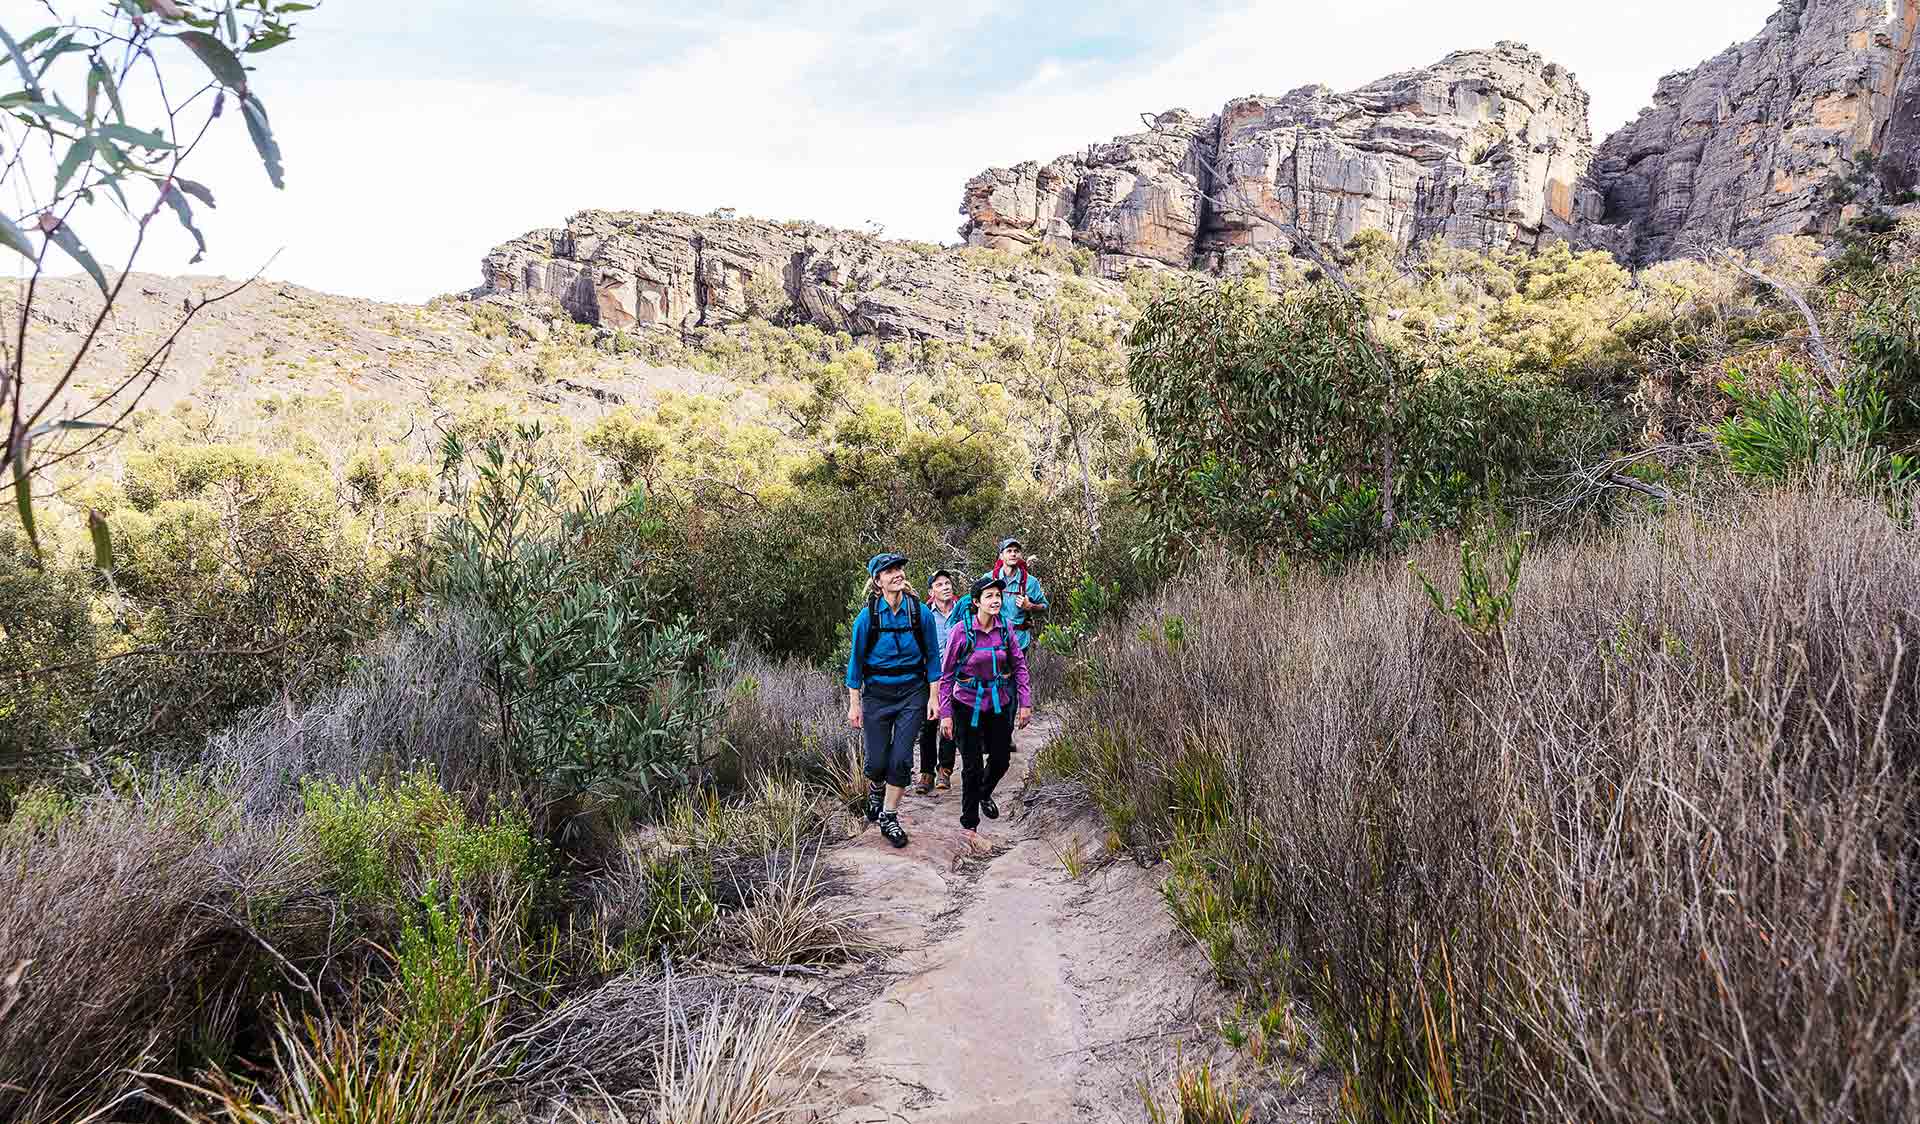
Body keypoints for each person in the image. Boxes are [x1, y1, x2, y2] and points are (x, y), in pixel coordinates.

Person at [846, 552, 941, 847]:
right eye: (889, 571)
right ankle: (876, 787)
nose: (897, 574)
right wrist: (854, 703)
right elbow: (855, 664)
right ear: (877, 581)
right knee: (876, 764)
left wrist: (933, 697)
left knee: (900, 760)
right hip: (877, 695)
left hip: (912, 693)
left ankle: (889, 815)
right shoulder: (868, 616)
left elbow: (933, 658)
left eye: (899, 569)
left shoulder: (918, 612)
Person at [938, 575, 1033, 835]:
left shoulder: (1006, 628)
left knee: (1001, 760)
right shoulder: (961, 631)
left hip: (998, 703)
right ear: (976, 601)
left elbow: (1019, 666)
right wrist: (945, 714)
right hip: (966, 704)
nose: (995, 600)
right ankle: (970, 826)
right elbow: (946, 676)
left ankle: (983, 794)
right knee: (971, 766)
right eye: (989, 596)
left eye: (998, 596)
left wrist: (1025, 702)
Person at [915, 568, 963, 795]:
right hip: (930, 678)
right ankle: (926, 772)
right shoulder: (925, 615)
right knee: (928, 724)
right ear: (931, 591)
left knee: (949, 723)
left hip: (955, 678)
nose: (945, 587)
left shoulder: (962, 613)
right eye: (939, 584)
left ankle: (945, 768)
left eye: (947, 583)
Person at [987, 537, 1049, 652]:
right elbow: (976, 603)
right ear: (1001, 555)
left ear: (1020, 555)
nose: (1013, 554)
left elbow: (1045, 606)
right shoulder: (989, 579)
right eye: (1009, 551)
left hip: (1020, 642)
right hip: (994, 641)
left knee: (1019, 670)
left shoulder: (1030, 582)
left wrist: (1030, 606)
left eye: (1016, 551)